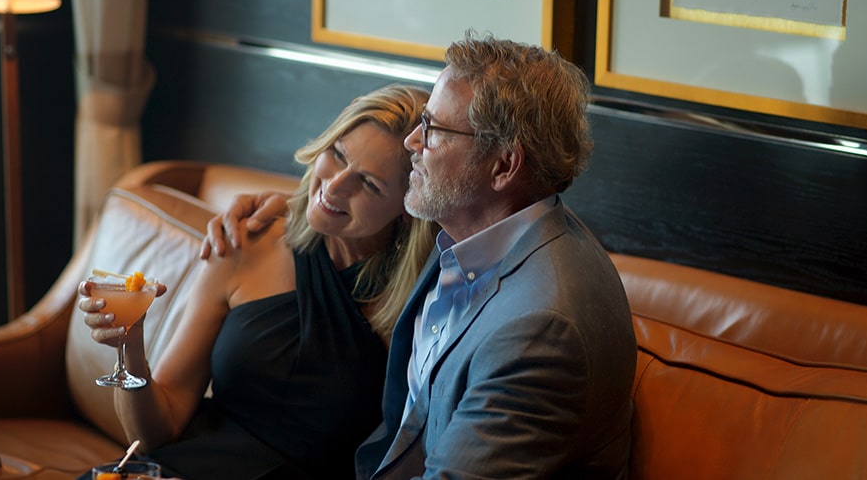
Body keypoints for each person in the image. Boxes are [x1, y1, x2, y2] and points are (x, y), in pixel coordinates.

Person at [205, 31, 638, 479]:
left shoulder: (539, 329)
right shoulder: (479, 228)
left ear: (505, 166)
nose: (413, 141)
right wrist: (294, 206)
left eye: (433, 129)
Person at [77, 84, 439, 479]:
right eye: (337, 155)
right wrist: (129, 345)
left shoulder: (419, 305)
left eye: (368, 184)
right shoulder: (246, 243)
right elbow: (154, 434)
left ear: (409, 205)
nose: (335, 187)